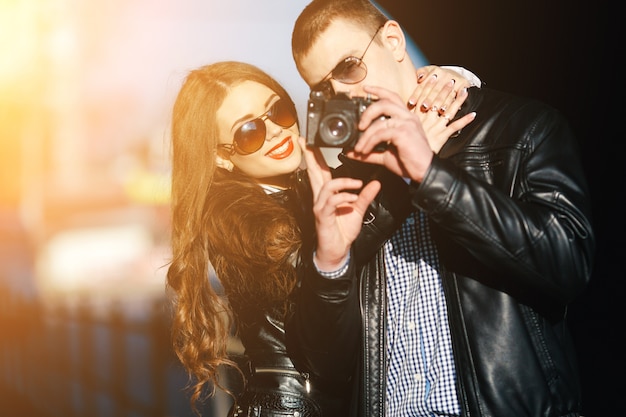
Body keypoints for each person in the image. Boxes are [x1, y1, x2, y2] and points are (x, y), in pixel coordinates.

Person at [286, 1, 596, 416]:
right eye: (323, 88)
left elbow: (569, 263)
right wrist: (331, 262)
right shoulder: (343, 188)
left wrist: (431, 177)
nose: (341, 93)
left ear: (394, 41)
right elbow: (324, 365)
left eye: (348, 67)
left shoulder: (520, 128)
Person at [165, 60, 476, 416]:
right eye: (248, 131)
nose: (275, 133)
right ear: (222, 157)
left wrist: (448, 80)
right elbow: (325, 264)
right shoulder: (237, 221)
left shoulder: (299, 191)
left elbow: (360, 184)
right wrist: (404, 177)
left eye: (277, 111)